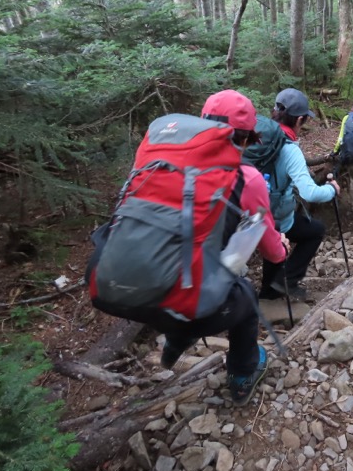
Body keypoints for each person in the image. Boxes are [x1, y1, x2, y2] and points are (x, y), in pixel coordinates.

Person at [129, 90, 288, 405]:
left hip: (136, 274)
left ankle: (180, 333)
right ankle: (243, 375)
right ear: (244, 139)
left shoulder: (157, 160)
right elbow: (272, 252)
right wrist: (282, 248)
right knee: (242, 294)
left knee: (207, 278)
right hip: (186, 283)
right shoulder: (247, 178)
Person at [258, 88, 340, 302]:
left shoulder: (257, 137)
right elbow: (309, 192)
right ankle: (286, 280)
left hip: (253, 213)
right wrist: (331, 190)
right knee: (314, 231)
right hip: (277, 216)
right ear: (300, 119)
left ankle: (269, 292)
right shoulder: (289, 148)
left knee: (276, 240)